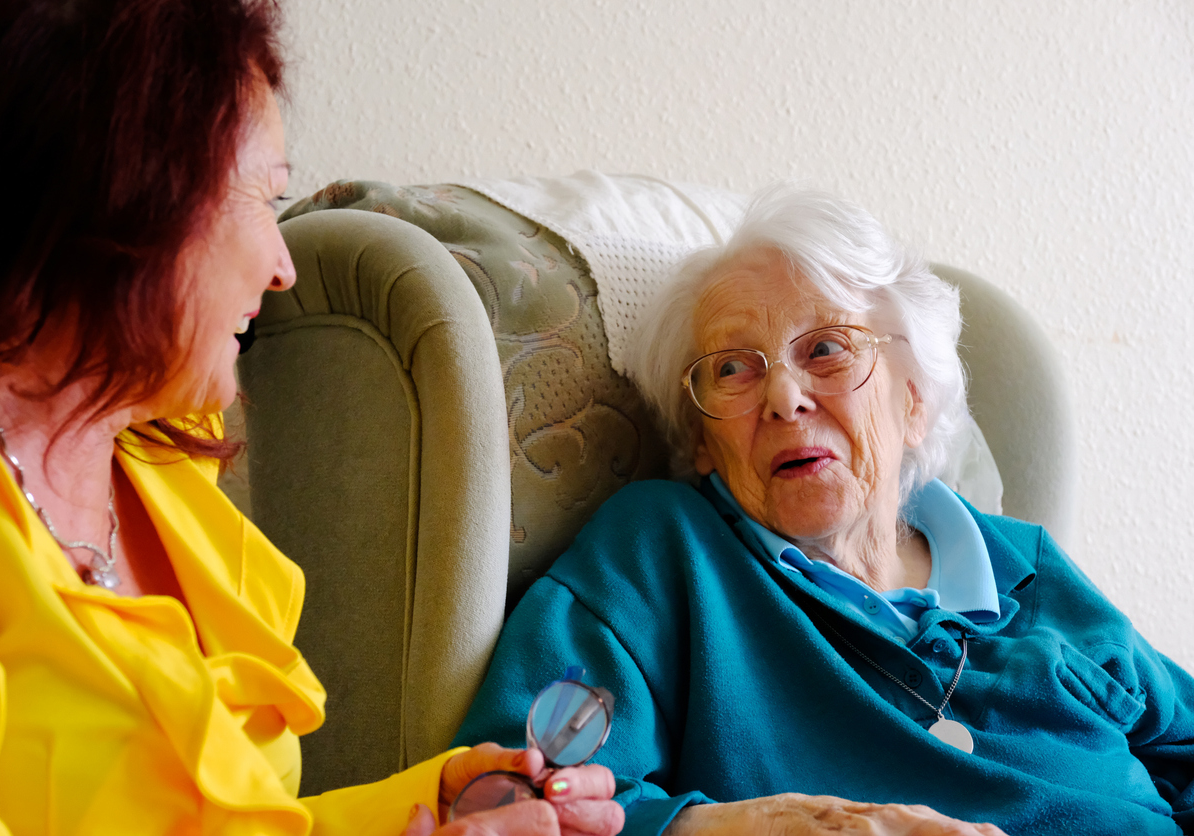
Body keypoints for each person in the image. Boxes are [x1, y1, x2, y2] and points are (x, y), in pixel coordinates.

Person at [0, 1, 625, 835]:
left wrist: (433, 803)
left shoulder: (160, 473)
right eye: (265, 199)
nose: (283, 267)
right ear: (127, 195)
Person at [453, 184, 1194, 835]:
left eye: (828, 349)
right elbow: (514, 803)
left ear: (911, 401)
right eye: (732, 369)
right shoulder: (666, 555)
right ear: (702, 441)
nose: (783, 397)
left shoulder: (1023, 568)